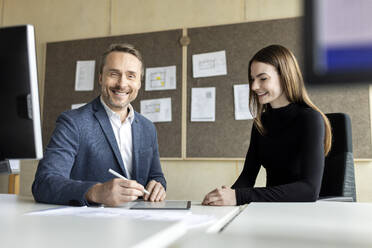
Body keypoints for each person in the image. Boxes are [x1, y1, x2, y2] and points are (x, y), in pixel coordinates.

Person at [32, 43, 166, 206]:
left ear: (139, 83)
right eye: (114, 74)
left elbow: (156, 177)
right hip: (89, 226)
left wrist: (158, 186)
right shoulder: (72, 122)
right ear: (101, 78)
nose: (122, 84)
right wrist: (95, 192)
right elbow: (44, 183)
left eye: (131, 76)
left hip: (139, 224)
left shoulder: (148, 128)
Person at [202, 44, 332, 206]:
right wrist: (224, 197)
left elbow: (309, 190)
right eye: (252, 79)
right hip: (271, 211)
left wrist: (239, 196)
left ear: (285, 77)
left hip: (304, 215)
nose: (254, 86)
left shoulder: (309, 119)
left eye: (262, 78)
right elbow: (248, 177)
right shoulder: (261, 122)